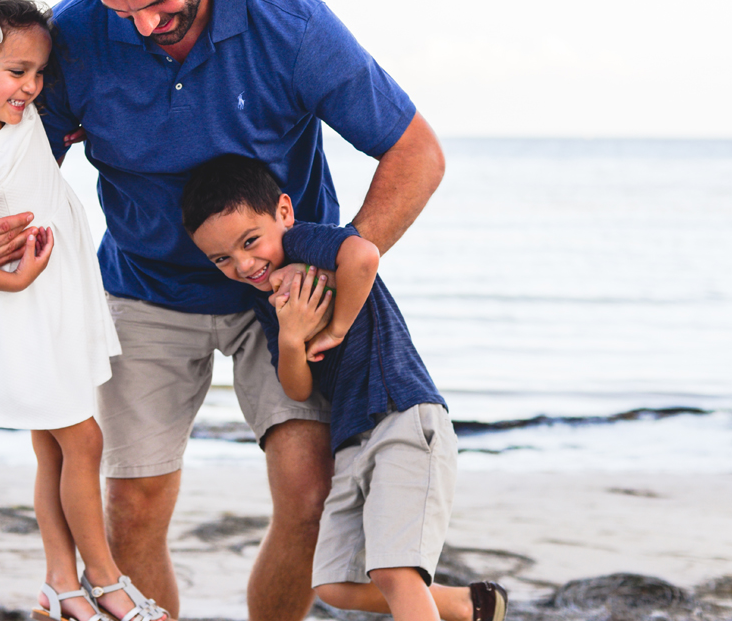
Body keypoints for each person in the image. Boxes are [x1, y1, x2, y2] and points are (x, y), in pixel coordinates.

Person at [0, 0, 489, 621]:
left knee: (307, 491)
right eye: (122, 11)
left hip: (278, 291)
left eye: (160, 1)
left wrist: (345, 259)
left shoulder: (289, 25)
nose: (145, 26)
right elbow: (11, 157)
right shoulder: (75, 34)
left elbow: (417, 152)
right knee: (134, 503)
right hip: (143, 288)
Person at [0, 0, 167, 621]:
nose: (30, 87)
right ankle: (105, 581)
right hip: (24, 309)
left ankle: (61, 581)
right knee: (83, 442)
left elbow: (41, 118)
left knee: (54, 448)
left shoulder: (19, 120)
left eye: (39, 73)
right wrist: (14, 283)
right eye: (16, 71)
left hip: (60, 304)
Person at [182, 155, 507, 621]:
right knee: (336, 583)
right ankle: (471, 606)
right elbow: (297, 390)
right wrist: (293, 337)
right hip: (351, 439)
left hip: (401, 413)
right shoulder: (266, 301)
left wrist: (335, 329)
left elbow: (363, 255)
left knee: (396, 572)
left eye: (250, 241)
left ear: (284, 214)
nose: (245, 263)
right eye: (222, 259)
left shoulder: (306, 242)